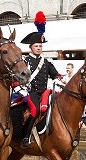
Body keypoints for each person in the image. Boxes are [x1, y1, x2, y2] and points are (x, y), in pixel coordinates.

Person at [17, 11, 59, 148]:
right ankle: (25, 137)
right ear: (31, 47)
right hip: (31, 92)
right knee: (34, 110)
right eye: (36, 46)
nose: (39, 48)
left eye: (40, 46)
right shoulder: (25, 61)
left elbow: (55, 75)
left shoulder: (46, 62)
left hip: (44, 92)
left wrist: (59, 79)